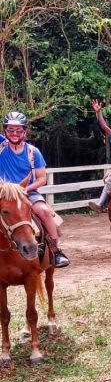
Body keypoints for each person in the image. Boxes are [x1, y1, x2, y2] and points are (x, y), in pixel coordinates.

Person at [0, 111, 70, 267]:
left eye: (19, 130)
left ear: (25, 131)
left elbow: (42, 178)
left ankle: (55, 251)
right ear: (5, 131)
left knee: (44, 211)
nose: (15, 133)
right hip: (3, 193)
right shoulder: (1, 147)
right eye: (11, 130)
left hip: (27, 192)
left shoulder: (33, 152)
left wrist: (25, 189)